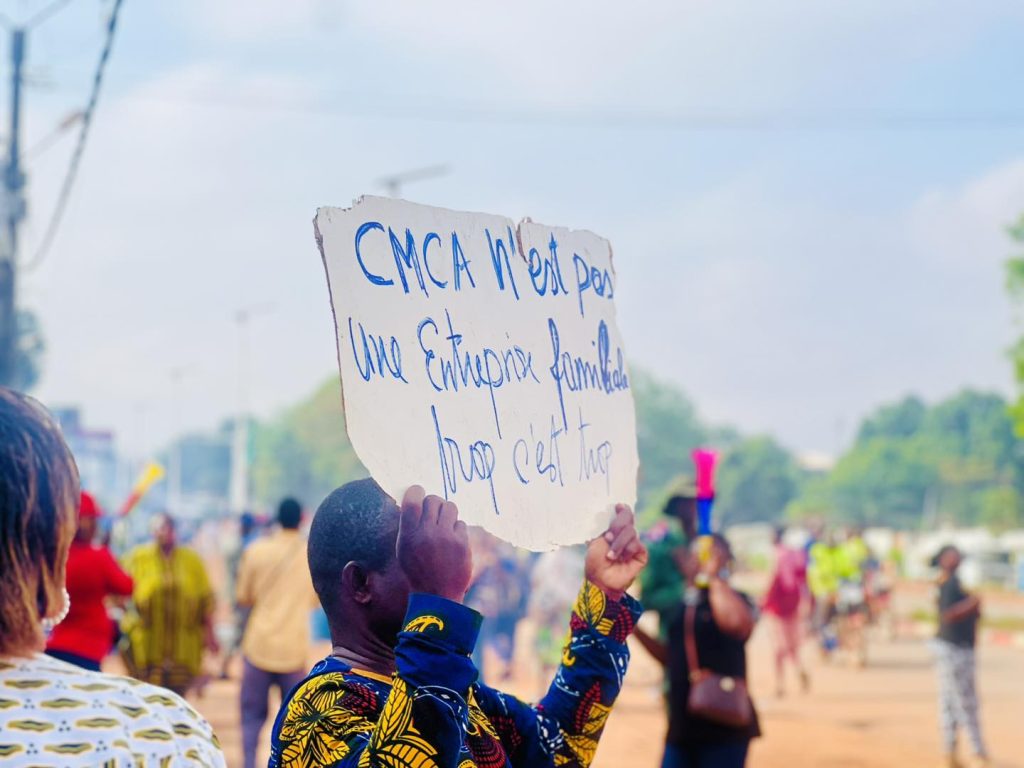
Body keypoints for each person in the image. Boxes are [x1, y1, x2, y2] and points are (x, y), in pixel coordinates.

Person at [269, 479, 648, 767]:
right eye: (418, 553)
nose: (452, 565)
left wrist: (605, 595)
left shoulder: (458, 694)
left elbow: (558, 746)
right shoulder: (317, 711)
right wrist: (436, 599)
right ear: (361, 583)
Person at [0, 386, 225, 766]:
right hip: (86, 651)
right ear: (54, 540)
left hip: (66, 649)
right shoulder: (165, 734)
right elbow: (127, 588)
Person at [634, 534, 761, 768]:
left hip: (725, 730)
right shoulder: (682, 605)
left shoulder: (738, 600)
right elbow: (670, 657)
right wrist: (632, 627)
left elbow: (736, 624)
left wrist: (712, 577)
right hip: (682, 727)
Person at [236, 497, 318, 768]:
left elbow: (243, 596)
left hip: (258, 645)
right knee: (294, 723)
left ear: (277, 519)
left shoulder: (256, 551)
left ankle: (249, 763)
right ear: (301, 520)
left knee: (251, 718)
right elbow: (316, 600)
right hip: (293, 651)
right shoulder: (311, 555)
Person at [121, 512, 219, 696]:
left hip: (183, 646)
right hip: (147, 645)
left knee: (177, 699)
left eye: (167, 528)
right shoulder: (138, 558)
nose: (163, 533)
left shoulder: (192, 561)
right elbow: (119, 592)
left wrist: (210, 635)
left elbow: (205, 601)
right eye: (159, 528)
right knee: (147, 697)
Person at [45, 491, 134, 671]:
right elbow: (126, 586)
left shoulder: (53, 556)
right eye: (93, 520)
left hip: (54, 643)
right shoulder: (99, 557)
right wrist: (108, 553)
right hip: (88, 648)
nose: (96, 526)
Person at [932, 545, 989, 768]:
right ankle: (978, 753)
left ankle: (950, 750)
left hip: (954, 647)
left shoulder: (952, 582)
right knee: (966, 701)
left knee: (949, 701)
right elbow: (949, 614)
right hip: (954, 648)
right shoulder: (948, 584)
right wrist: (972, 603)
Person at [761, 527, 809, 697]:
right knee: (791, 645)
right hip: (793, 602)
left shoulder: (777, 555)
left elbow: (772, 579)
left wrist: (763, 601)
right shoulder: (795, 554)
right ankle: (799, 670)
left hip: (778, 605)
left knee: (778, 647)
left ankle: (779, 684)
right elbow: (803, 578)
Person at [641, 491, 698, 636]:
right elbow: (648, 601)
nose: (691, 507)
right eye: (685, 502)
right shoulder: (661, 549)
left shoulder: (712, 546)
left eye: (696, 501)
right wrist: (684, 588)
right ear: (675, 507)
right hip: (674, 635)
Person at [220, 510, 261, 679]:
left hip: (239, 596)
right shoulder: (243, 547)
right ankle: (226, 666)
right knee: (240, 632)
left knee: (244, 632)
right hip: (243, 596)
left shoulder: (235, 544)